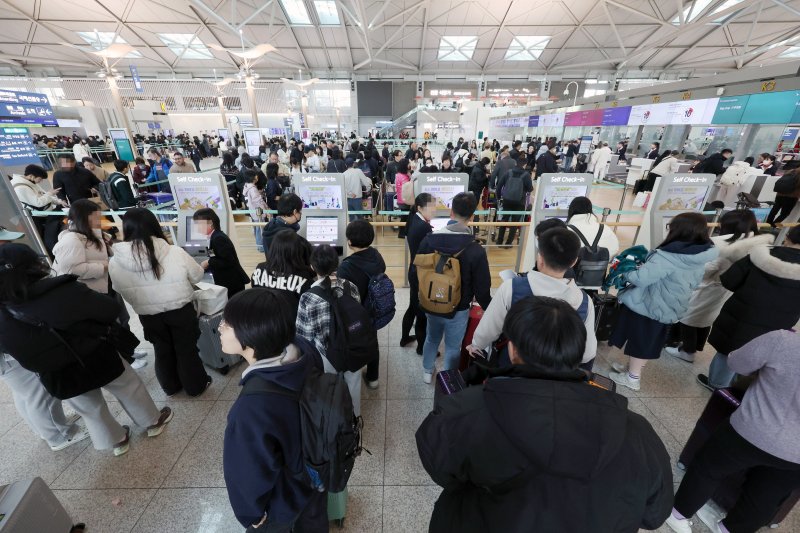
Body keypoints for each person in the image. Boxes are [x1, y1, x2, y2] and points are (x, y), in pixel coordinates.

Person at [416, 296, 673, 533]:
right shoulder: (636, 430)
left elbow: (441, 469)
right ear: (578, 352)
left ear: (513, 349)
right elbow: (654, 514)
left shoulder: (465, 412)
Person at [0, 244, 173, 456]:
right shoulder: (61, 289)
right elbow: (109, 309)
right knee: (128, 387)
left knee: (89, 407)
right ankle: (152, 421)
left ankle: (117, 440)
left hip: (57, 372)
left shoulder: (5, 312)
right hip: (96, 353)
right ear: (33, 265)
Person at [666, 330, 800, 533]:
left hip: (751, 429)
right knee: (767, 497)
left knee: (708, 468)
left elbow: (736, 363)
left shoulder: (784, 340)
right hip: (795, 456)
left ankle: (678, 514)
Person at [221, 289, 328, 532]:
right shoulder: (304, 350)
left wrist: (252, 516)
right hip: (315, 474)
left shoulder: (250, 408)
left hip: (284, 501)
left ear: (251, 334)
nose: (220, 328)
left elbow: (246, 474)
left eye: (227, 324)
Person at [608, 212, 718, 391]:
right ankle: (631, 369)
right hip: (669, 306)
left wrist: (625, 272)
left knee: (641, 341)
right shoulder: (699, 254)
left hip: (650, 306)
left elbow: (642, 279)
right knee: (646, 340)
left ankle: (632, 378)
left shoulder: (668, 256)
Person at [109, 208, 212, 397]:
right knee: (185, 349)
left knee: (162, 350)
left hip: (148, 315)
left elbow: (117, 288)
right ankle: (195, 386)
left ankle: (170, 387)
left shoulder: (116, 260)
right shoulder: (173, 251)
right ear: (154, 225)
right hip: (180, 310)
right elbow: (196, 275)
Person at [470, 227, 596, 366]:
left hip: (513, 365)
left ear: (540, 258)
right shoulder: (584, 302)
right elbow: (587, 353)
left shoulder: (512, 288)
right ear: (574, 262)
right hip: (556, 374)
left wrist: (476, 345)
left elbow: (489, 328)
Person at [698, 225, 800, 390]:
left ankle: (718, 385)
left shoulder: (761, 254)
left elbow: (729, 281)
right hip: (781, 322)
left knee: (729, 349)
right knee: (761, 353)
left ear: (788, 237)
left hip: (743, 315)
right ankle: (741, 388)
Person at [665, 210, 772, 364]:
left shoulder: (723, 244)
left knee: (689, 317)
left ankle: (688, 351)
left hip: (708, 286)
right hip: (726, 288)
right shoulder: (756, 242)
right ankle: (690, 347)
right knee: (705, 318)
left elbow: (706, 268)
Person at [52, 199, 147, 368]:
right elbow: (70, 269)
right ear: (85, 217)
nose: (100, 217)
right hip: (91, 290)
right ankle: (125, 359)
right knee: (109, 324)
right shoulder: (71, 240)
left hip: (107, 284)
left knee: (122, 318)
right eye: (96, 215)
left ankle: (128, 350)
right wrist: (103, 266)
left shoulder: (93, 233)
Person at [416, 193, 491, 383]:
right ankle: (447, 378)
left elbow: (415, 272)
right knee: (452, 346)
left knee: (431, 338)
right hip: (459, 308)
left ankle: (427, 371)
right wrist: (490, 308)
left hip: (431, 302)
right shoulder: (475, 250)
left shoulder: (429, 240)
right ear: (472, 216)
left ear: (450, 212)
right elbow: (482, 288)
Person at [296, 244, 363, 415]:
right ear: (337, 264)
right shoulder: (350, 286)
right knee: (353, 383)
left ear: (312, 267)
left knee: (328, 388)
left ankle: (333, 422)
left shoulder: (308, 296)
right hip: (352, 346)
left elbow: (304, 335)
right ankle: (354, 419)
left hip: (325, 353)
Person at [336, 220, 386, 390]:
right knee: (372, 340)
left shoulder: (346, 266)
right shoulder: (376, 255)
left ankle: (353, 372)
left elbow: (344, 295)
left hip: (356, 313)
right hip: (374, 308)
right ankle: (373, 378)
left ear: (349, 242)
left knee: (354, 342)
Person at [400, 193, 436, 354]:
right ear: (420, 208)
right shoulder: (425, 227)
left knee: (413, 306)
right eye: (431, 207)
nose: (434, 210)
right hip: (421, 273)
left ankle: (404, 338)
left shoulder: (413, 219)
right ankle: (422, 348)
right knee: (421, 312)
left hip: (414, 270)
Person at [193, 208, 250, 297]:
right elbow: (215, 257)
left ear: (210, 222)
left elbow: (228, 261)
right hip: (227, 281)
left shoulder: (219, 238)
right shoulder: (213, 237)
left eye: (199, 224)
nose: (197, 227)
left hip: (232, 283)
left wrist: (208, 262)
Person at [10, 164, 65, 254]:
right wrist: (50, 194)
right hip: (38, 218)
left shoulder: (30, 182)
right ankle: (50, 255)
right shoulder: (20, 187)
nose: (41, 181)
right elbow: (38, 202)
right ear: (31, 176)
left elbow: (43, 194)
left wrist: (59, 201)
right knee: (45, 238)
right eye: (40, 179)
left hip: (46, 213)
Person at [251, 229, 315, 306]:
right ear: (297, 250)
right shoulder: (304, 276)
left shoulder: (259, 269)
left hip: (263, 315)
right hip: (290, 317)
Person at [495, 154, 533, 248]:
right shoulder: (526, 175)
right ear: (525, 165)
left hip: (507, 200)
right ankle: (508, 243)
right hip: (519, 202)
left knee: (504, 220)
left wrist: (499, 197)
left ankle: (499, 241)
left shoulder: (509, 172)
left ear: (516, 163)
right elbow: (530, 189)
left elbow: (499, 185)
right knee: (515, 222)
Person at [343, 157, 371, 221]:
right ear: (353, 164)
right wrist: (368, 186)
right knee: (360, 217)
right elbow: (366, 183)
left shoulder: (343, 174)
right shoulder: (358, 171)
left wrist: (350, 193)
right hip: (357, 197)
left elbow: (343, 187)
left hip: (348, 198)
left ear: (345, 165)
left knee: (351, 217)